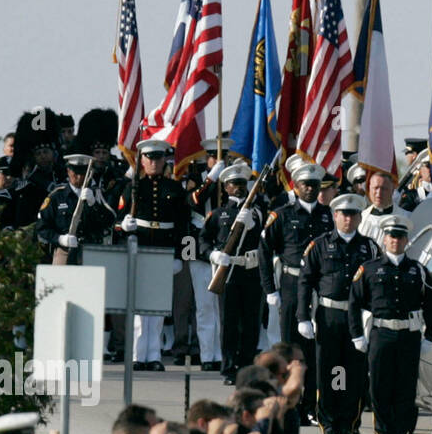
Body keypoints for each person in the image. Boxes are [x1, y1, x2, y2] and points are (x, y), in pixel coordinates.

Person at [348, 216, 432, 434]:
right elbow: (354, 303)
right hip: (381, 334)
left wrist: (430, 335)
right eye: (391, 236)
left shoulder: (418, 270)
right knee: (379, 386)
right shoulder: (369, 268)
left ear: (406, 240)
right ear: (384, 239)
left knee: (405, 388)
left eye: (399, 237)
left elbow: (431, 304)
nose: (395, 241)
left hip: (408, 335)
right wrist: (357, 335)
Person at [297, 192, 378, 434]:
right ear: (334, 216)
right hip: (329, 316)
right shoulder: (319, 245)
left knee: (353, 372)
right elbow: (305, 281)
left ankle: (349, 424)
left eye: (353, 214)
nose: (348, 219)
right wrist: (303, 316)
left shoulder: (369, 246)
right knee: (331, 371)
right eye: (344, 214)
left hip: (357, 318)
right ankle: (330, 424)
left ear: (359, 217)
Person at [117, 139, 190, 372]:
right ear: (142, 161)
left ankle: (154, 354)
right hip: (140, 246)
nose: (153, 163)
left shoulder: (175, 189)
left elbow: (182, 225)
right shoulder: (132, 188)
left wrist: (180, 255)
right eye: (149, 158)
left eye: (158, 158)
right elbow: (115, 219)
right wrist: (123, 225)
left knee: (157, 309)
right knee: (139, 308)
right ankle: (138, 355)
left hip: (164, 248)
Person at [263, 163, 332, 389]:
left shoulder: (329, 216)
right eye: (305, 185)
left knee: (317, 346)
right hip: (291, 283)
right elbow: (264, 250)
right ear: (296, 186)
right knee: (291, 345)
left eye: (314, 185)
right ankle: (289, 395)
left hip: (320, 285)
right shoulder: (283, 215)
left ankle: (312, 400)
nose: (310, 189)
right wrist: (270, 288)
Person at [205, 163, 272, 386]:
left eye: (242, 184)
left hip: (251, 272)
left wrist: (255, 223)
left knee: (251, 322)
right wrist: (213, 255)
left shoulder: (258, 211)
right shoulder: (218, 213)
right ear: (225, 188)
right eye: (234, 184)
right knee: (229, 322)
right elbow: (203, 239)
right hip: (229, 272)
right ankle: (229, 367)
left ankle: (246, 366)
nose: (239, 188)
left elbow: (268, 238)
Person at [35, 153, 115, 264]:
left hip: (91, 250)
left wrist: (94, 204)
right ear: (68, 171)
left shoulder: (97, 194)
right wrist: (59, 238)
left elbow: (109, 221)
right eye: (75, 172)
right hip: (65, 250)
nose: (79, 176)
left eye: (83, 173)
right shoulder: (57, 196)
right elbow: (41, 227)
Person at [359, 170, 411, 245]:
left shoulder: (407, 219)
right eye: (376, 188)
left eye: (384, 189)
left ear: (392, 191)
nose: (379, 193)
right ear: (369, 190)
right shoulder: (361, 219)